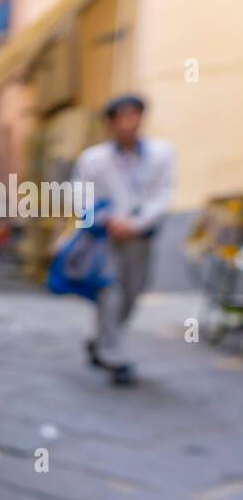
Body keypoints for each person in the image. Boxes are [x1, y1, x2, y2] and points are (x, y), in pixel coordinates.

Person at [71, 95, 176, 386]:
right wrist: (107, 220)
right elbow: (81, 194)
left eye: (134, 116)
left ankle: (101, 340)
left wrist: (138, 223)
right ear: (110, 123)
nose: (129, 123)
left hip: (142, 237)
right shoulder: (93, 159)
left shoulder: (162, 154)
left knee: (133, 293)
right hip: (107, 238)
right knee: (110, 293)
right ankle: (114, 356)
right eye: (122, 117)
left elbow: (163, 194)